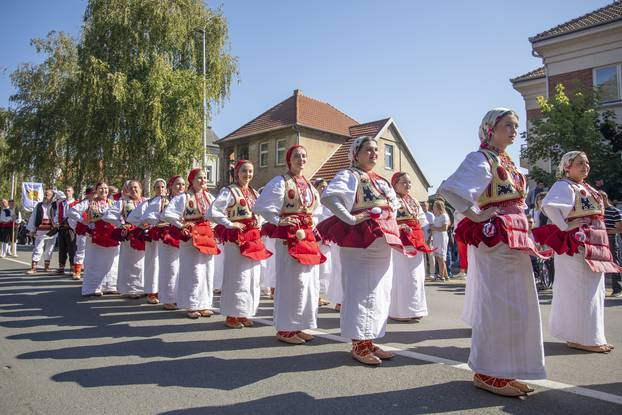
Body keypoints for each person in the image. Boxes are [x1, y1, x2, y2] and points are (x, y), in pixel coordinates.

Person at [438, 108, 547, 397]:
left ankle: (506, 369)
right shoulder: (481, 159)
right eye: (507, 126)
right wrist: (477, 216)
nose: (513, 131)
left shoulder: (506, 162)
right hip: (496, 239)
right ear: (490, 129)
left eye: (515, 126)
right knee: (497, 305)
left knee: (518, 304)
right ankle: (487, 371)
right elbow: (450, 190)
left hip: (516, 238)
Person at [318, 136, 403, 365]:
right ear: (356, 154)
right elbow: (329, 197)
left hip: (381, 240)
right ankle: (358, 343)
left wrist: (390, 221)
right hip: (359, 241)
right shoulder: (349, 175)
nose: (375, 153)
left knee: (379, 291)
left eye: (377, 150)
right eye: (369, 150)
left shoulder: (381, 181)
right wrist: (350, 218)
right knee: (360, 290)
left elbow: (395, 205)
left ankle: (370, 338)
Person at [535, 152, 621, 353]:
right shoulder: (564, 185)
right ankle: (585, 338)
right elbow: (548, 207)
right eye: (580, 163)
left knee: (594, 290)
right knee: (581, 290)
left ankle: (586, 336)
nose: (586, 166)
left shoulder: (586, 187)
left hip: (594, 245)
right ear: (567, 166)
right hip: (578, 246)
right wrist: (565, 226)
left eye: (587, 163)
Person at [254, 145, 325, 345]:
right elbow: (261, 206)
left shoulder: (310, 185)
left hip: (306, 237)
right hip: (289, 238)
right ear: (289, 160)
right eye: (296, 156)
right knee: (290, 282)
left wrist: (312, 222)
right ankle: (285, 328)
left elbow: (317, 211)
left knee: (307, 283)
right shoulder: (281, 182)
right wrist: (279, 221)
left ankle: (298, 325)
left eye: (304, 156)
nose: (301, 159)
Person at [209, 160, 272, 328]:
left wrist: (260, 223)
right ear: (237, 172)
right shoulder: (229, 191)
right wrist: (229, 224)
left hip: (252, 238)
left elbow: (262, 211)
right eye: (244, 171)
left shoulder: (253, 192)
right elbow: (213, 211)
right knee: (237, 277)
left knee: (251, 277)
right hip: (236, 239)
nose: (248, 175)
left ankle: (244, 312)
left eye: (250, 171)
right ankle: (231, 314)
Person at [163, 168, 219, 319]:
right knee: (192, 270)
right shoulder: (184, 197)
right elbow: (167, 214)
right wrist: (181, 225)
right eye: (199, 178)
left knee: (207, 270)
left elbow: (219, 213)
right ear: (192, 180)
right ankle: (191, 304)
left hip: (206, 236)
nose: (202, 181)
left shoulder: (209, 196)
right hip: (191, 238)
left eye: (204, 178)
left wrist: (215, 225)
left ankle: (204, 304)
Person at [389, 172, 431, 322]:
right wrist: (400, 226)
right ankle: (399, 311)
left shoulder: (413, 200)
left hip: (416, 240)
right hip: (401, 240)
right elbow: (388, 219)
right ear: (395, 184)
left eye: (409, 182)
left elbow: (422, 219)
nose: (408, 185)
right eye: (404, 182)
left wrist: (421, 232)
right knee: (402, 276)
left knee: (417, 277)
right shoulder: (391, 200)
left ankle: (414, 309)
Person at [69, 182, 120, 296]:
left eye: (106, 188)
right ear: (96, 190)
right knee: (95, 262)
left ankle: (110, 286)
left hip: (111, 236)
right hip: (95, 237)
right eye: (101, 188)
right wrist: (83, 221)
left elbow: (121, 216)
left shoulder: (113, 203)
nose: (104, 191)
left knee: (112, 262)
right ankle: (93, 288)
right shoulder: (89, 202)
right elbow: (71, 212)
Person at [143, 175, 186, 310]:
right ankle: (168, 298)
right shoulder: (162, 200)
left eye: (183, 184)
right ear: (171, 187)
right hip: (168, 236)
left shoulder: (186, 199)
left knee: (181, 268)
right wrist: (158, 223)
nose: (180, 187)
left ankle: (179, 296)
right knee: (170, 268)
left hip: (183, 235)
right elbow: (148, 216)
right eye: (177, 184)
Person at [133, 179, 167, 304]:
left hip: (167, 236)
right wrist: (143, 225)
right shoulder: (148, 202)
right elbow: (133, 217)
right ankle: (152, 292)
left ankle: (166, 292)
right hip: (153, 236)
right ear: (154, 189)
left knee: (167, 266)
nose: (160, 189)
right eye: (157, 187)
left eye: (162, 186)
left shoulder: (170, 201)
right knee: (153, 264)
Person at [113, 180, 147, 299]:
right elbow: (109, 215)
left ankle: (144, 287)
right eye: (131, 188)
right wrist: (120, 224)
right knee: (130, 263)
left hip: (144, 235)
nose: (134, 190)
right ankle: (131, 289)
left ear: (141, 189)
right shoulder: (122, 202)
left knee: (143, 263)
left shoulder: (146, 201)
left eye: (136, 187)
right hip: (130, 236)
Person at [26, 189, 57, 274]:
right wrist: (32, 230)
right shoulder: (39, 205)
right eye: (45, 195)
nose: (46, 197)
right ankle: (33, 268)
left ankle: (47, 267)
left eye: (48, 195)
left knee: (49, 249)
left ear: (52, 197)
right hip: (40, 230)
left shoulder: (55, 205)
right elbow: (33, 217)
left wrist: (55, 192)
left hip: (52, 230)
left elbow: (62, 197)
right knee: (38, 248)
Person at [51, 186, 79, 275]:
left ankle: (72, 267)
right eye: (66, 190)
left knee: (72, 248)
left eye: (69, 190)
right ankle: (61, 267)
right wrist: (56, 223)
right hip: (62, 227)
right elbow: (57, 214)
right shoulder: (61, 203)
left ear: (72, 192)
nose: (67, 192)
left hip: (71, 228)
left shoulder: (76, 203)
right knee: (62, 248)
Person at [70, 187, 95, 279]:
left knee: (94, 253)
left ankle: (90, 272)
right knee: (81, 251)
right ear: (88, 195)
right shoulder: (85, 203)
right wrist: (82, 220)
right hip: (84, 232)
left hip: (97, 232)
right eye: (92, 193)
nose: (94, 195)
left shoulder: (102, 203)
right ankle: (77, 272)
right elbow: (71, 213)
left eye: (95, 193)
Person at [601, 191, 622, 297]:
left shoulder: (615, 211)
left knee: (614, 263)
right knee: (599, 264)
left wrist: (603, 231)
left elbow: (619, 228)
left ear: (605, 198)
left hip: (611, 240)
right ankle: (601, 289)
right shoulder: (598, 212)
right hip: (599, 241)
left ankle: (617, 289)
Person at [430, 200, 450, 281]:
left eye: (435, 206)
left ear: (439, 207)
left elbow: (445, 228)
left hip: (442, 237)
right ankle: (446, 275)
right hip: (436, 237)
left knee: (441, 257)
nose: (433, 208)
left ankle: (441, 276)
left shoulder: (444, 216)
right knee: (438, 257)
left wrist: (434, 228)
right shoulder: (436, 216)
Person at [420, 201, 436, 279]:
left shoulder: (430, 215)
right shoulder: (420, 215)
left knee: (431, 256)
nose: (423, 207)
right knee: (423, 257)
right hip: (421, 239)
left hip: (429, 239)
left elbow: (432, 228)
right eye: (422, 206)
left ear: (428, 206)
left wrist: (430, 238)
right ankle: (425, 272)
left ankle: (432, 273)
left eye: (425, 206)